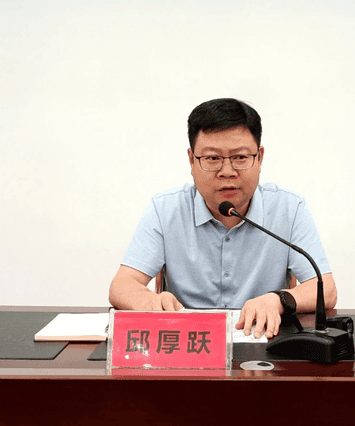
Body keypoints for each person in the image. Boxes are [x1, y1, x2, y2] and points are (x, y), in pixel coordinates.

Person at [109, 98, 336, 339]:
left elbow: (326, 290)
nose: (227, 171)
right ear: (191, 160)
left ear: (259, 158)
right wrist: (151, 302)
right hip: (188, 344)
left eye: (240, 158)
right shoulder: (165, 209)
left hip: (263, 343)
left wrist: (278, 300)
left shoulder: (289, 208)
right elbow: (122, 285)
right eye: (212, 158)